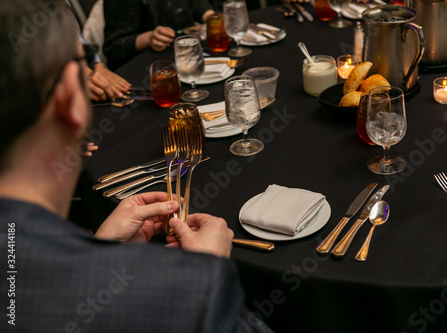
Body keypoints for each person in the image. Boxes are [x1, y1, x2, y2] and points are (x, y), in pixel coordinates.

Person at [0, 1, 271, 332]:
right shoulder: (187, 292)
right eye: (85, 63)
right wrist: (203, 270)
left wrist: (103, 246)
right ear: (70, 94)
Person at [103, 0, 216, 69]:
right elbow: (113, 48)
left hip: (186, 57)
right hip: (149, 69)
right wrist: (149, 38)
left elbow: (198, 6)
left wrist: (214, 19)